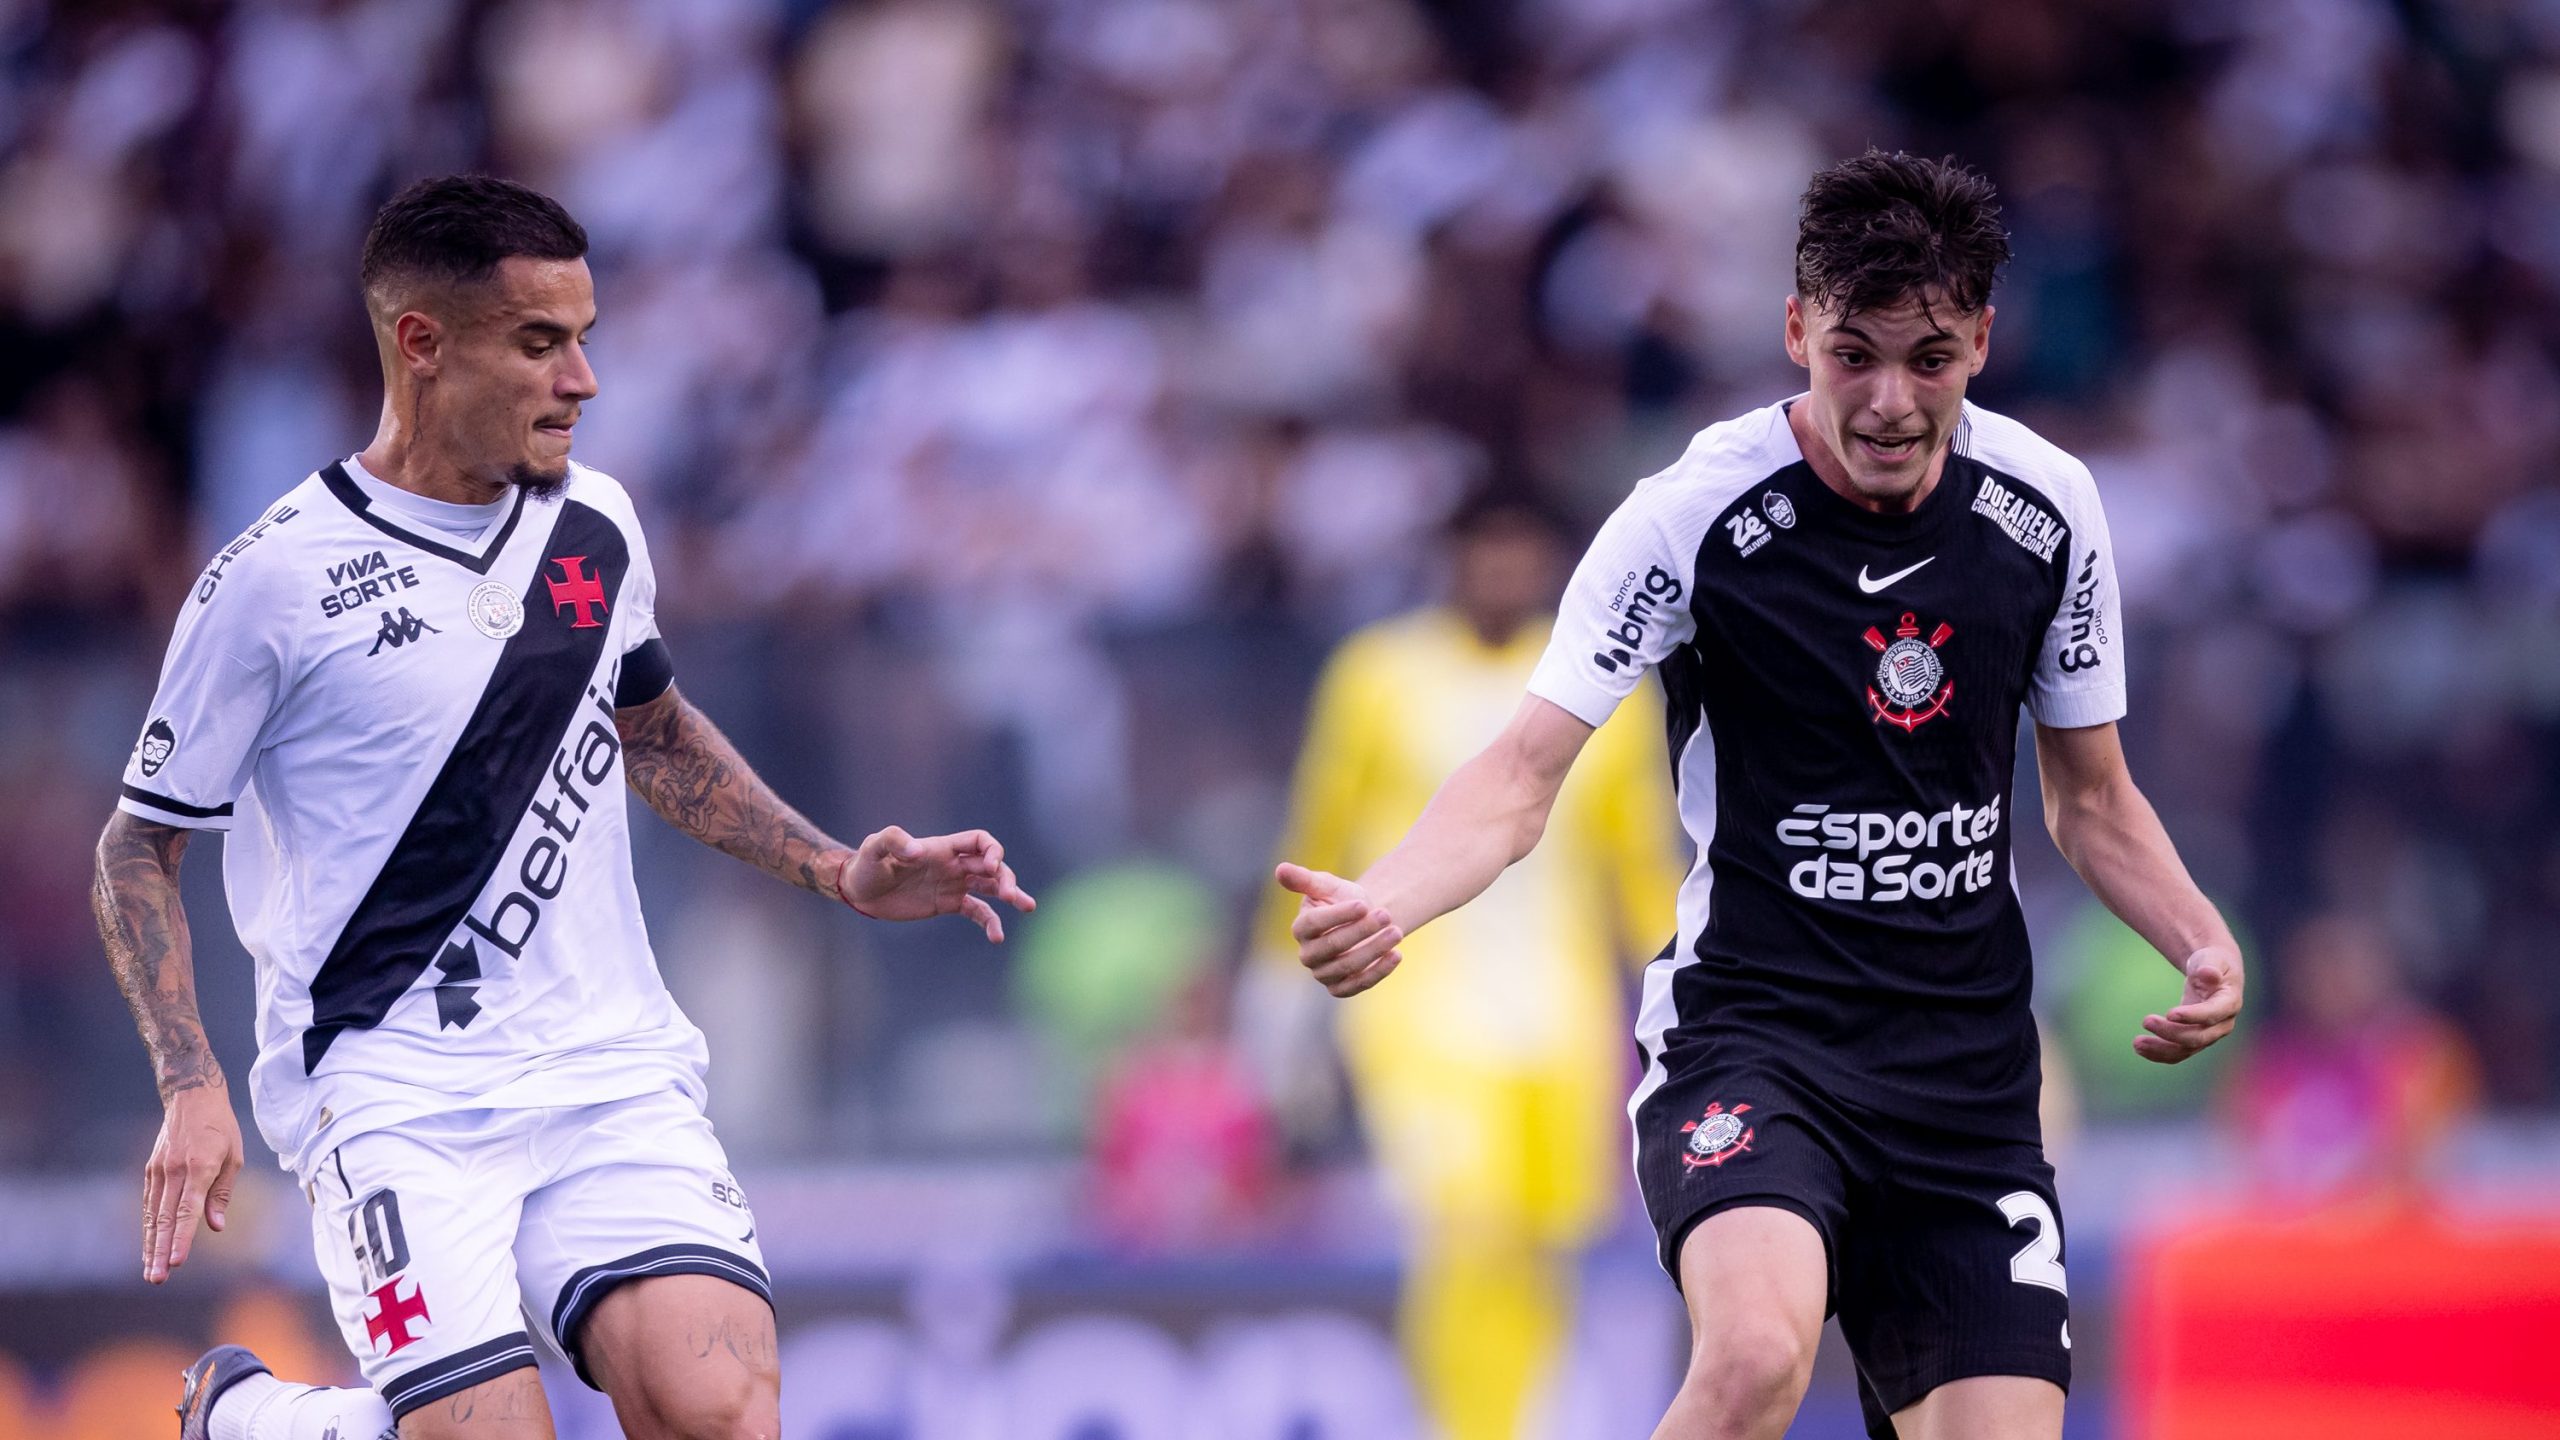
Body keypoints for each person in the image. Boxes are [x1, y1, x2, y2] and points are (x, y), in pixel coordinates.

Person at [1274, 151, 2245, 1440]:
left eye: (1929, 358)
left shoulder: (2046, 510)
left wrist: (2197, 934)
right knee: (1753, 1359)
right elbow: (1519, 775)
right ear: (1796, 332)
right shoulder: (1687, 517)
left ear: (1981, 342)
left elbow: (2094, 801)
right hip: (1755, 1040)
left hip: (1964, 1082)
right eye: (1853, 356)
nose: (1889, 402)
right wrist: (1387, 900)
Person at [94, 174, 1034, 1440]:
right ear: (421, 344)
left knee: (720, 1414)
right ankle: (257, 1420)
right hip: (395, 1091)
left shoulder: (595, 523)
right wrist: (189, 1081)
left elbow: (652, 730)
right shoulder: (272, 582)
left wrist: (836, 870)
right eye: (540, 343)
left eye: (585, 338)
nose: (582, 380)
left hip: (608, 1066)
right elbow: (138, 846)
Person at [1248, 497, 1682, 1440]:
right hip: (1416, 1007)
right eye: (1485, 552)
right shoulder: (1379, 676)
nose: (1502, 573)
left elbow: (1640, 860)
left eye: (1520, 554)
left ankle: (1517, 1420)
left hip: (1561, 1017)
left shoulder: (1603, 682)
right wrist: (1279, 993)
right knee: (1466, 1230)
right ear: (1452, 558)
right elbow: (1321, 828)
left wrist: (1685, 986)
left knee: (1542, 1245)